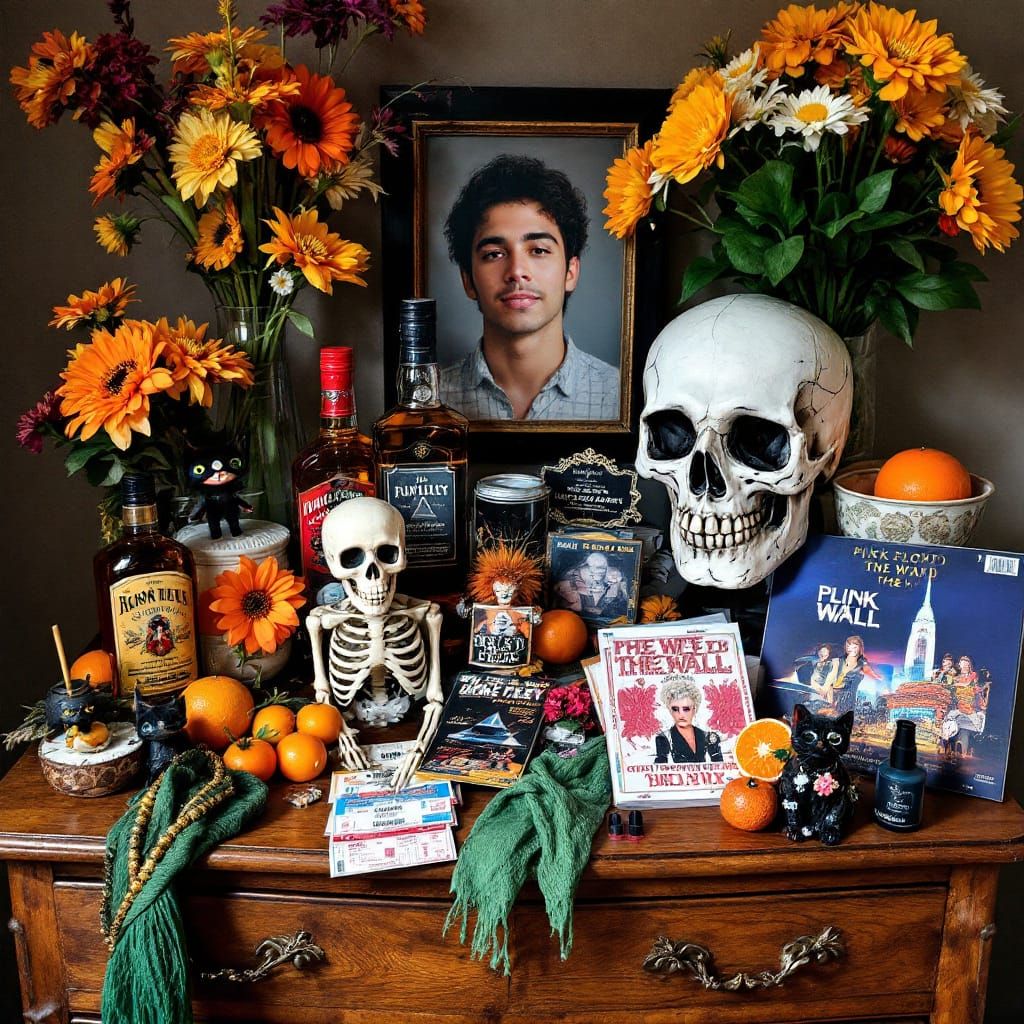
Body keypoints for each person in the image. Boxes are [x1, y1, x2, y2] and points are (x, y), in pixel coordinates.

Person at [440, 153, 619, 420]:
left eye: (538, 250)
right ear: (468, 280)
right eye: (494, 254)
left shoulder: (620, 396)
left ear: (570, 271)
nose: (517, 272)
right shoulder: (433, 402)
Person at [654, 676, 723, 764]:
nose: (681, 714)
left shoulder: (707, 736)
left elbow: (719, 764)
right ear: (670, 710)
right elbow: (659, 769)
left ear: (695, 709)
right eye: (675, 709)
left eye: (686, 709)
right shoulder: (664, 737)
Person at [554, 551, 628, 620]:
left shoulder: (615, 582)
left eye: (602, 568)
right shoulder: (570, 581)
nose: (598, 572)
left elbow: (623, 609)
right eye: (593, 568)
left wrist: (604, 611)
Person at [830, 635, 880, 716]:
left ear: (860, 648)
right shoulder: (839, 661)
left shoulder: (862, 663)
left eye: (854, 647)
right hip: (835, 694)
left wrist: (876, 676)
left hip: (848, 699)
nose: (851, 649)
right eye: (848, 646)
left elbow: (868, 671)